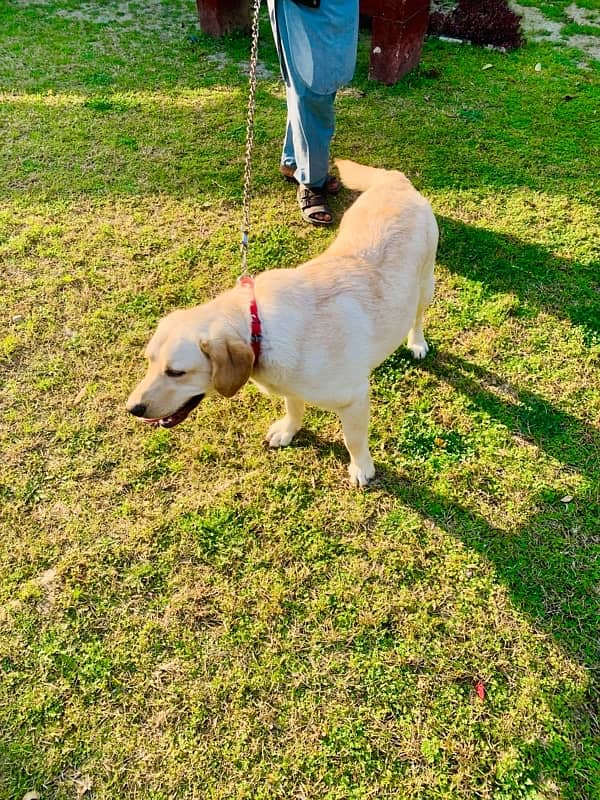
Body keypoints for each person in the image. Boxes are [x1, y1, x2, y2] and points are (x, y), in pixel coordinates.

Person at [266, 0, 360, 225]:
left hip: (338, 8)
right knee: (310, 88)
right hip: (303, 7)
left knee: (326, 81)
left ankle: (293, 161)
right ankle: (311, 181)